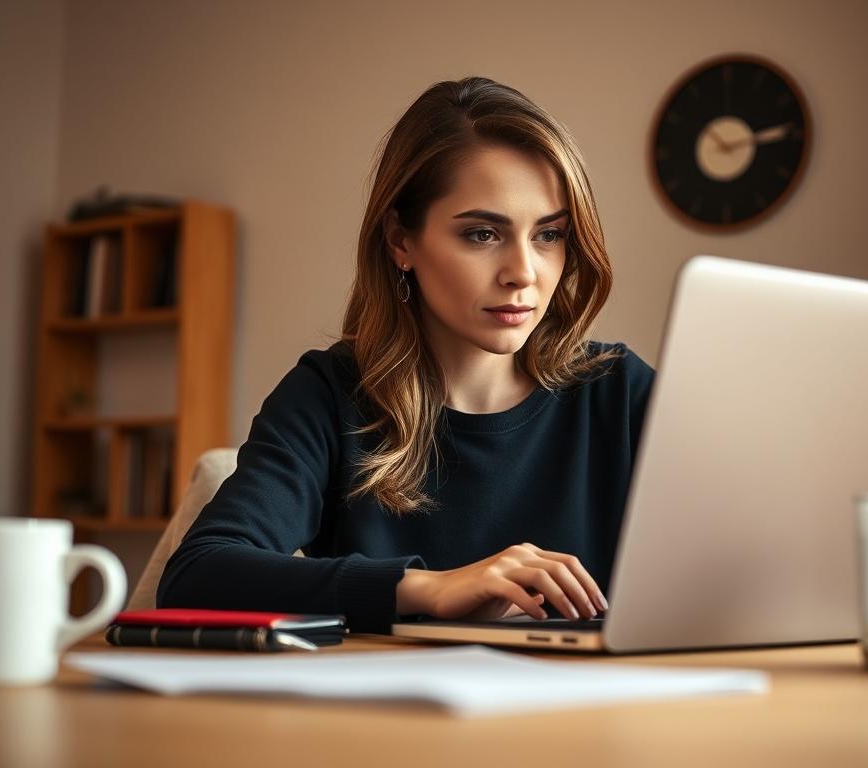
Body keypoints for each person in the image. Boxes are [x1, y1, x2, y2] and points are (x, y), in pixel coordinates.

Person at [157, 76, 655, 634]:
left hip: (597, 714)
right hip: (391, 718)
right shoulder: (329, 395)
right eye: (482, 234)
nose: (523, 273)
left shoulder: (622, 392)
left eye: (549, 235)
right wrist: (429, 588)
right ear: (401, 240)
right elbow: (198, 574)